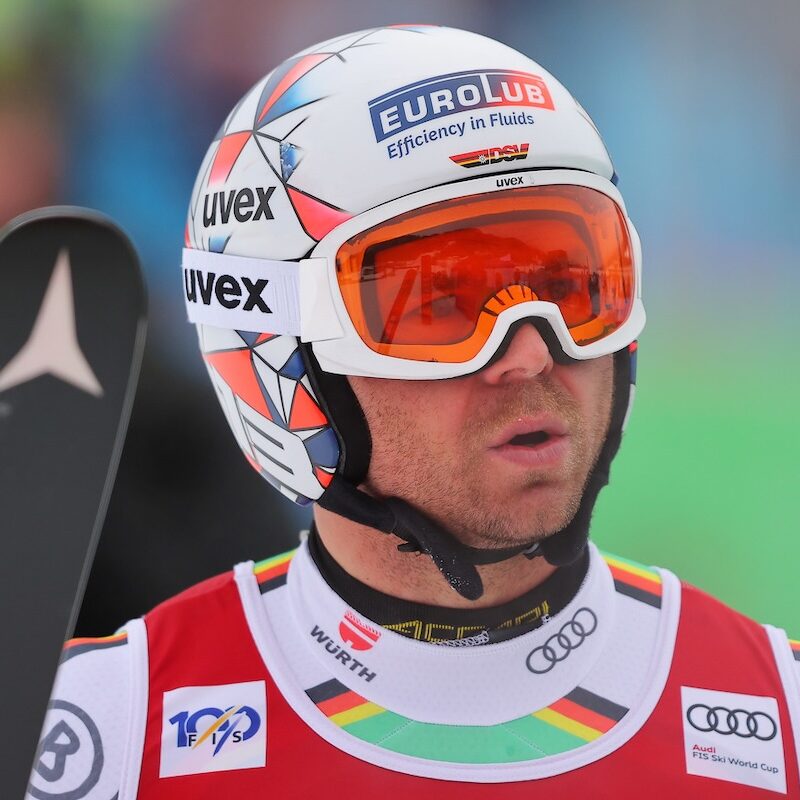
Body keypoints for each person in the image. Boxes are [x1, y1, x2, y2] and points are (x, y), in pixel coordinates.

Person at [28, 25, 800, 799]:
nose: (529, 353)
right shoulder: (104, 729)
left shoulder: (781, 713)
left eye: (569, 283)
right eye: (438, 302)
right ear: (280, 348)